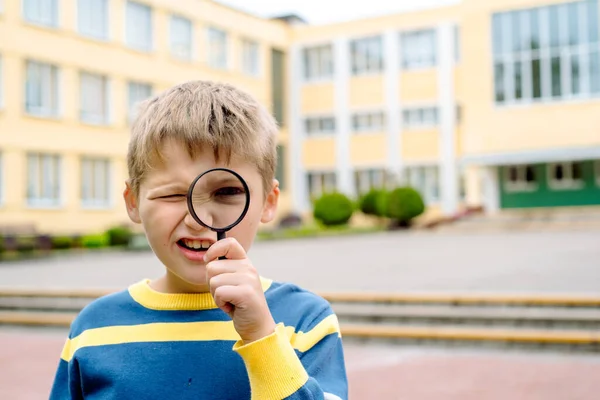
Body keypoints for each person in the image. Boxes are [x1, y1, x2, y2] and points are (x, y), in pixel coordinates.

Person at [49, 80, 348, 400]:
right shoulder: (94, 329)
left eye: (227, 192)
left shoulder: (305, 322)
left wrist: (262, 337)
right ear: (133, 202)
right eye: (174, 194)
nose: (198, 219)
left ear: (269, 202)